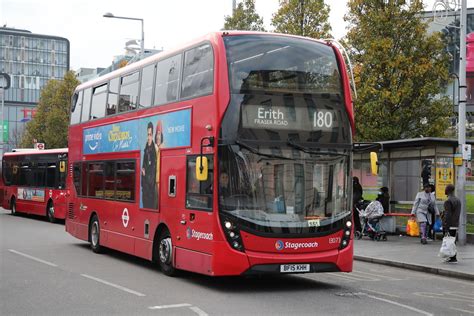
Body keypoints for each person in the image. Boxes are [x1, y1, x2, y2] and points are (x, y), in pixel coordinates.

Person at [442, 184, 461, 263]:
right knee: (452, 241)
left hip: (449, 224)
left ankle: (452, 257)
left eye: (445, 189)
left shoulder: (448, 201)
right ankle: (453, 256)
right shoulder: (458, 200)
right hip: (455, 223)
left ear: (448, 190)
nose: (444, 190)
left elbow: (448, 215)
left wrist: (446, 227)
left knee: (449, 241)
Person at [141, 122, 157, 209]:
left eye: (150, 135)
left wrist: (145, 173)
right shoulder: (146, 148)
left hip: (150, 192)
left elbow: (153, 174)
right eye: (148, 134)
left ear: (152, 135)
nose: (148, 137)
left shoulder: (153, 151)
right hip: (145, 190)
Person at [154, 121, 164, 209]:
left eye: (159, 134)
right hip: (155, 183)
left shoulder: (163, 150)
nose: (158, 137)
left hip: (159, 183)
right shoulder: (155, 150)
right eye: (157, 134)